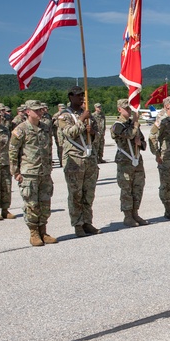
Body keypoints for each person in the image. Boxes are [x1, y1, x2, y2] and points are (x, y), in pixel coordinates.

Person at [10, 100, 56, 246]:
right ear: (27, 112)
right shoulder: (21, 129)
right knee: (31, 204)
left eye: (40, 110)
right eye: (36, 110)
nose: (39, 112)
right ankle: (34, 233)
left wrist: (49, 167)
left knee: (45, 204)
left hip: (44, 172)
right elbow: (13, 152)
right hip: (29, 172)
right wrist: (15, 172)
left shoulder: (46, 128)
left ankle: (43, 231)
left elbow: (49, 149)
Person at [56, 86, 100, 237]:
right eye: (77, 96)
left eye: (82, 95)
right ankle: (78, 224)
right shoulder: (64, 116)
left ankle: (87, 222)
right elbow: (69, 132)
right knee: (76, 194)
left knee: (88, 193)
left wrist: (92, 132)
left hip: (89, 159)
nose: (81, 98)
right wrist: (81, 120)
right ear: (70, 97)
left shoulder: (88, 114)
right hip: (74, 160)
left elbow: (98, 136)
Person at [112, 98, 149, 227]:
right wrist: (135, 123)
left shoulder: (134, 124)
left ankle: (135, 213)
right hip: (125, 161)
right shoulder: (117, 125)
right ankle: (127, 216)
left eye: (130, 109)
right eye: (126, 109)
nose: (129, 111)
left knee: (138, 188)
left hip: (137, 161)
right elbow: (129, 135)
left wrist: (141, 144)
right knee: (126, 189)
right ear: (119, 109)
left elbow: (143, 142)